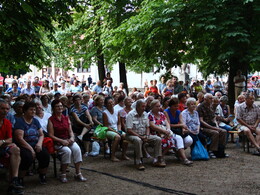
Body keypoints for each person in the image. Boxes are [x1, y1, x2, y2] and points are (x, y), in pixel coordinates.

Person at [48, 100, 87, 183]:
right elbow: (51, 135)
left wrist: (72, 137)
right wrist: (61, 141)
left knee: (77, 149)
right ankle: (63, 174)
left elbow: (70, 131)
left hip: (68, 139)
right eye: (57, 106)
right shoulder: (51, 120)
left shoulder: (66, 118)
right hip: (58, 142)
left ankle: (78, 173)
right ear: (53, 108)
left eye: (61, 106)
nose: (60, 108)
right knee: (67, 151)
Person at [14, 102, 50, 186]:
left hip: (36, 143)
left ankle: (42, 175)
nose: (33, 111)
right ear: (25, 111)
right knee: (27, 157)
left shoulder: (35, 121)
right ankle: (20, 178)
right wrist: (31, 149)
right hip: (24, 145)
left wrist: (39, 144)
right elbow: (19, 139)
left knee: (45, 155)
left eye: (34, 109)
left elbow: (41, 134)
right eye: (31, 110)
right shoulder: (20, 121)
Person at [125, 99, 166, 170]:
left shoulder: (145, 114)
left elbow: (147, 127)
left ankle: (157, 159)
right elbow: (129, 130)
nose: (144, 108)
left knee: (158, 139)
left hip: (144, 134)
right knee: (138, 140)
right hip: (132, 135)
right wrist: (140, 137)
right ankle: (139, 161)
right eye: (142, 107)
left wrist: (147, 135)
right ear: (137, 107)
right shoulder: (130, 115)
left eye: (145, 107)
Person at [149, 100, 193, 165]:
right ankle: (160, 158)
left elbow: (167, 123)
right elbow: (152, 126)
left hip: (166, 132)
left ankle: (183, 158)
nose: (159, 108)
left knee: (173, 139)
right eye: (157, 106)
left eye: (159, 106)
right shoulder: (150, 115)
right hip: (155, 133)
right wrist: (164, 131)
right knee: (167, 140)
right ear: (152, 107)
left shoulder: (161, 114)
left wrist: (168, 130)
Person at [0, 99, 23, 194]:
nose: (5, 111)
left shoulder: (7, 122)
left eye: (7, 109)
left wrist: (2, 141)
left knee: (16, 149)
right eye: (2, 109)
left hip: (2, 145)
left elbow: (10, 139)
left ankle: (14, 180)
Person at [197, 93, 228, 158]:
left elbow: (213, 117)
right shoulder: (200, 107)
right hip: (204, 127)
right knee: (215, 133)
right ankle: (212, 150)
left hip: (212, 125)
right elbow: (201, 121)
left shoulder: (210, 106)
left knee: (224, 131)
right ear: (205, 99)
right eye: (210, 98)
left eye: (212, 98)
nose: (212, 100)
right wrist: (213, 128)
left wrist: (216, 126)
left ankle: (220, 150)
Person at [103, 97, 129, 161]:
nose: (111, 104)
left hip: (116, 128)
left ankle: (123, 154)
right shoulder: (105, 113)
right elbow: (106, 126)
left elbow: (119, 123)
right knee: (117, 137)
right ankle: (113, 156)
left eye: (112, 102)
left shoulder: (117, 111)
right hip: (109, 130)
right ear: (106, 104)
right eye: (109, 103)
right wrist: (116, 132)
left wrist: (119, 130)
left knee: (126, 136)